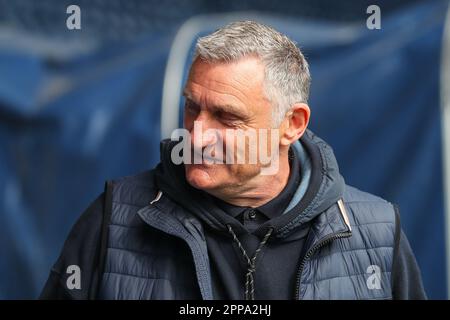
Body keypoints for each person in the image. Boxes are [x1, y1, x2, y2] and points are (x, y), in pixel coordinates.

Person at [40, 20, 426, 300]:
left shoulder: (376, 233)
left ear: (291, 124)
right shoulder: (115, 218)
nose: (197, 135)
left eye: (227, 117)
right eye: (192, 108)